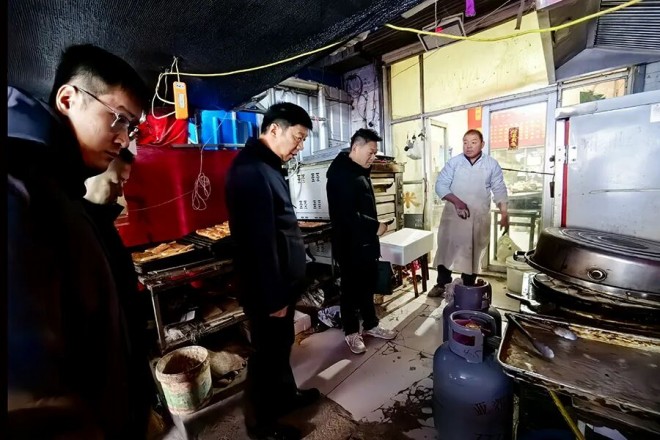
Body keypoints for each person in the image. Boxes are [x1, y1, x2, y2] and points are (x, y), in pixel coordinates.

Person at [8, 44, 149, 439]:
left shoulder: (59, 188)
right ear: (68, 99)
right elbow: (26, 393)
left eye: (131, 127)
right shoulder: (19, 181)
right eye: (118, 118)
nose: (124, 139)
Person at [225, 102, 320, 440]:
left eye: (304, 140)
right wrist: (274, 296)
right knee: (266, 355)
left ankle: (285, 397)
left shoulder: (268, 166)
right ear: (275, 129)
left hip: (281, 285)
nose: (299, 146)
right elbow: (259, 241)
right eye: (297, 137)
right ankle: (260, 425)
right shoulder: (250, 169)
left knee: (280, 347)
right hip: (268, 290)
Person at [326, 128, 397, 355]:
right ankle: (350, 332)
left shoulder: (359, 170)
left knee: (367, 284)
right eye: (371, 152)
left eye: (375, 152)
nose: (373, 157)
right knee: (350, 289)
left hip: (365, 243)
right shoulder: (340, 175)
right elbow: (345, 215)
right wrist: (375, 226)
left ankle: (371, 324)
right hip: (349, 244)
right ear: (356, 148)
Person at [428, 129, 509, 297]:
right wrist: (457, 202)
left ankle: (468, 287)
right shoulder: (454, 163)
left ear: (482, 144)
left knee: (473, 253)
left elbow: (499, 188)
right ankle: (442, 284)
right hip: (453, 217)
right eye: (465, 142)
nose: (468, 146)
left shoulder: (491, 164)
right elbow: (440, 185)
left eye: (473, 142)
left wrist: (504, 213)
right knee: (446, 250)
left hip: (478, 217)